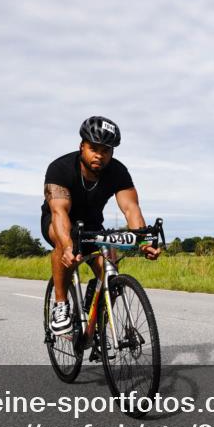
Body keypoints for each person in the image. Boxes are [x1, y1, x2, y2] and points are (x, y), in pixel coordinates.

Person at [41, 116, 161, 335]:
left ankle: (96, 326)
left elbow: (131, 208)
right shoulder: (60, 169)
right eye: (93, 148)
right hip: (58, 222)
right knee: (62, 242)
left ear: (112, 153)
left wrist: (144, 242)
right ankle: (60, 306)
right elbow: (59, 212)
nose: (99, 155)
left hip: (93, 226)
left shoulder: (118, 172)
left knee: (111, 273)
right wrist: (68, 246)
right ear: (82, 147)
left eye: (106, 150)